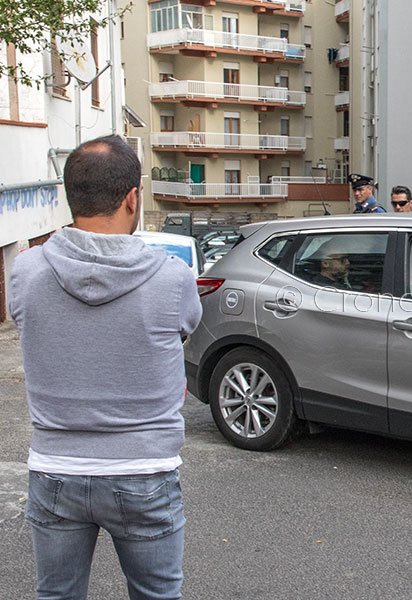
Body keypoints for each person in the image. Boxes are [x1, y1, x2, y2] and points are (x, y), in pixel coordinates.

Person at [9, 135, 202, 600]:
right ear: (133, 197)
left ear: (69, 195)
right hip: (144, 469)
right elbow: (181, 333)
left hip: (55, 467)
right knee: (157, 595)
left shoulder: (25, 270)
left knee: (56, 595)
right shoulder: (172, 277)